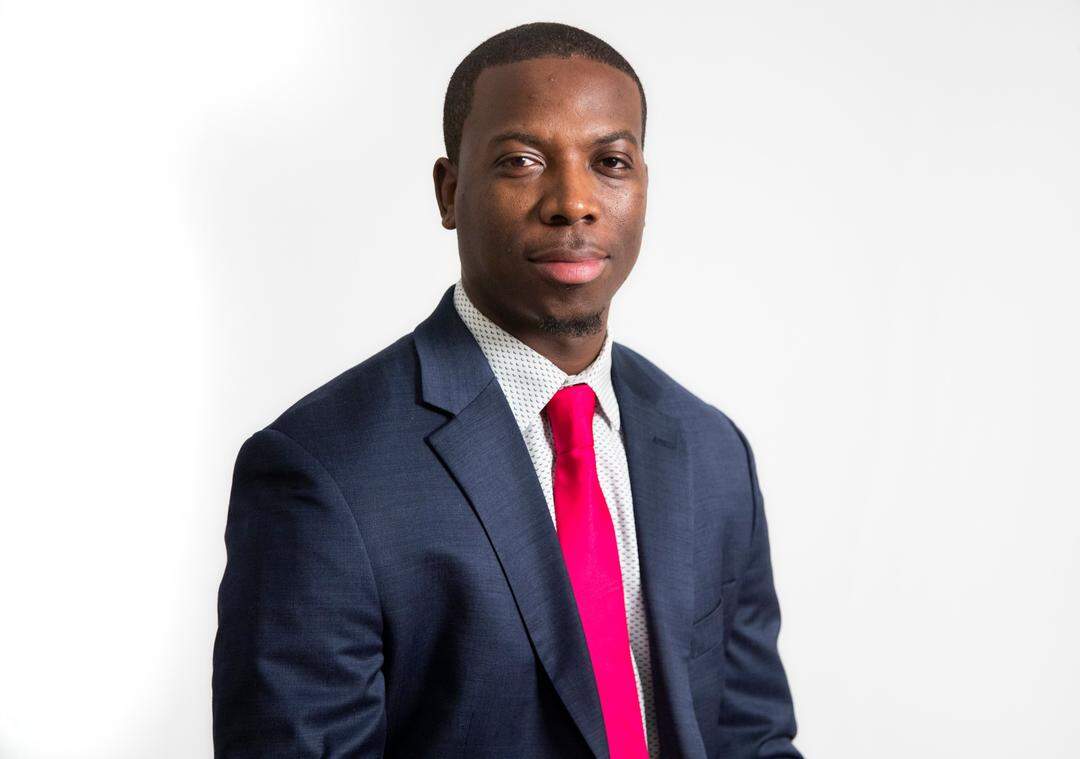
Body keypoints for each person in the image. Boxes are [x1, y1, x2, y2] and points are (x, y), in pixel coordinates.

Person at [212, 21, 802, 759]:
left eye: (610, 161)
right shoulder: (323, 471)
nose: (574, 202)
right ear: (450, 190)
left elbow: (753, 738)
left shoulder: (712, 450)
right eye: (522, 160)